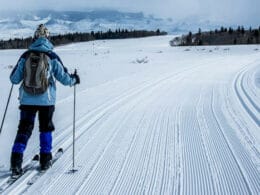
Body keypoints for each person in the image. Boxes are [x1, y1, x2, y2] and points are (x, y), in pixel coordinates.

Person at [9, 24, 80, 177]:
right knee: (45, 128)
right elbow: (64, 78)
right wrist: (74, 80)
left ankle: (15, 161)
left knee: (24, 129)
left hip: (26, 100)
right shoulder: (52, 56)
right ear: (48, 38)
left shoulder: (25, 56)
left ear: (34, 38)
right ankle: (45, 159)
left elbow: (14, 79)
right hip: (46, 101)